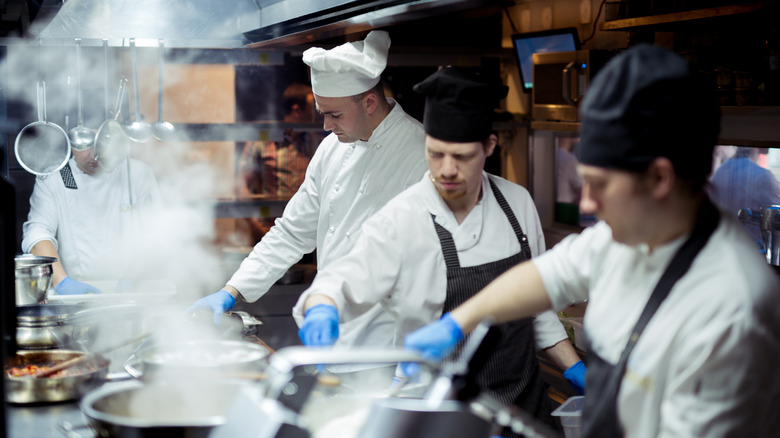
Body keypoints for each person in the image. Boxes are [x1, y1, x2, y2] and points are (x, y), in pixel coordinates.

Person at [403, 45, 780, 438]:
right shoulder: (626, 235)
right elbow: (546, 276)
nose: (585, 202)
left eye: (599, 185)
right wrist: (457, 323)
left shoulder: (732, 311)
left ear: (659, 179)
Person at [293, 67, 584, 433]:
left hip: (521, 409)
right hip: (436, 414)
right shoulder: (404, 217)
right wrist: (322, 307)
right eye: (435, 154)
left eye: (461, 157)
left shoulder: (517, 203)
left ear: (490, 147)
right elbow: (344, 278)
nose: (446, 170)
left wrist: (574, 368)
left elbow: (535, 307)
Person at [186, 30, 428, 357]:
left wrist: (407, 366)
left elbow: (422, 266)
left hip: (382, 347)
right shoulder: (331, 148)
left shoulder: (420, 152)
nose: (325, 126)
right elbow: (291, 232)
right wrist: (232, 290)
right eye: (322, 112)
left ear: (370, 101)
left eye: (335, 114)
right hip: (326, 334)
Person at [22, 143, 161, 295]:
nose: (94, 154)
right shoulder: (55, 177)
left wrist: (132, 279)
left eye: (101, 144)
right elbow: (37, 234)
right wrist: (62, 282)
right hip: (75, 292)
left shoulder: (135, 173)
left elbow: (155, 233)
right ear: (72, 143)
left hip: (132, 289)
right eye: (85, 144)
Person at [235, 83, 324, 243]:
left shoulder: (317, 141)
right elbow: (241, 185)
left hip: (308, 232)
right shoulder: (262, 141)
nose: (317, 114)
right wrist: (255, 225)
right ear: (297, 110)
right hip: (269, 230)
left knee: (307, 269)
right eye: (312, 109)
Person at [709, 146, 780, 247]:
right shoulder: (763, 176)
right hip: (753, 249)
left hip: (725, 245)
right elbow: (776, 220)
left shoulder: (721, 171)